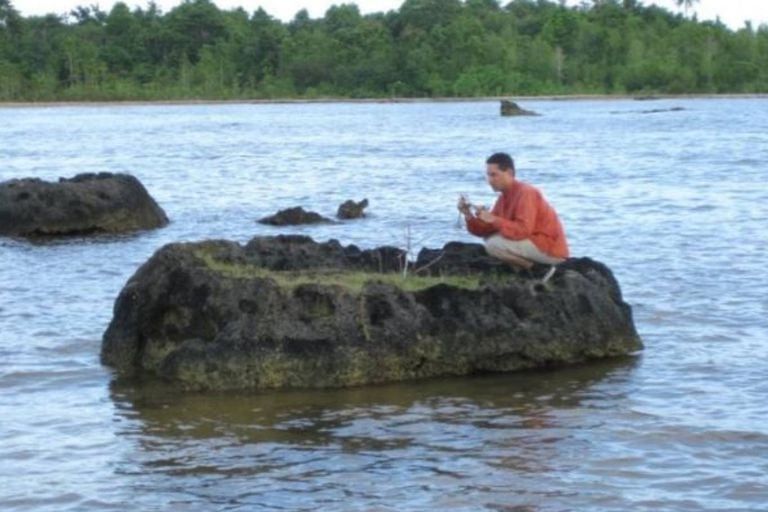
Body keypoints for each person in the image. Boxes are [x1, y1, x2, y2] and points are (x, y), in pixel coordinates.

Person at [458, 152, 569, 270]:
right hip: (534, 244)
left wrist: (494, 219)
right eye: (488, 175)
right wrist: (468, 214)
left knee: (493, 245)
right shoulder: (503, 197)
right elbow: (486, 230)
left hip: (549, 248)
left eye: (494, 175)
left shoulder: (526, 193)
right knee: (491, 238)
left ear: (509, 173)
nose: (490, 180)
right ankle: (522, 270)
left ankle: (536, 270)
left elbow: (523, 230)